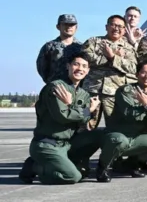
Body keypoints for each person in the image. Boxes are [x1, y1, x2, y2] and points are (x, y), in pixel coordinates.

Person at [19, 52, 102, 185]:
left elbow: (83, 121)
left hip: (66, 144)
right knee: (73, 177)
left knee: (100, 134)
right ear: (68, 66)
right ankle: (35, 167)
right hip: (48, 144)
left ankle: (73, 162)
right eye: (76, 64)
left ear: (88, 71)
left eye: (84, 66)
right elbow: (63, 117)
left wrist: (73, 106)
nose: (80, 69)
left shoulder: (83, 94)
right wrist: (87, 110)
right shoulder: (57, 87)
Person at [96, 62, 147, 182]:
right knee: (119, 140)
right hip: (120, 135)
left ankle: (131, 164)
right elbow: (131, 115)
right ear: (137, 74)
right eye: (143, 72)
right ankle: (103, 167)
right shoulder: (125, 91)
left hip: (138, 138)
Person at [36, 14, 82, 84]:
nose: (69, 27)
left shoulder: (81, 47)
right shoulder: (49, 47)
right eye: (65, 24)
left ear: (76, 27)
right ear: (58, 27)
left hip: (76, 87)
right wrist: (51, 81)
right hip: (55, 87)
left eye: (72, 25)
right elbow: (42, 68)